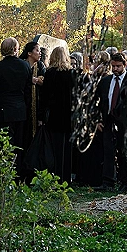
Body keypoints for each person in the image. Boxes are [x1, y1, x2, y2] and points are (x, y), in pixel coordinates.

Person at [0, 37, 32, 178]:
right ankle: (17, 174)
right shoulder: (25, 66)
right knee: (18, 145)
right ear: (15, 49)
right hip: (20, 110)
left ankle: (4, 174)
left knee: (3, 145)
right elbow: (27, 92)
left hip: (2, 111)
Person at [97, 52, 127, 192]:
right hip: (108, 120)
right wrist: (98, 120)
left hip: (125, 122)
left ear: (125, 65)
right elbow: (98, 101)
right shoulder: (105, 81)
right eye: (113, 66)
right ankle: (108, 182)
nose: (115, 69)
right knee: (108, 151)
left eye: (118, 66)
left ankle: (125, 182)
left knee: (123, 152)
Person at [42, 45, 74, 183]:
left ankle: (56, 177)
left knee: (55, 148)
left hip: (55, 115)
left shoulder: (50, 73)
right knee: (67, 149)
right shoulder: (72, 73)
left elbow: (45, 96)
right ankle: (66, 178)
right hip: (69, 115)